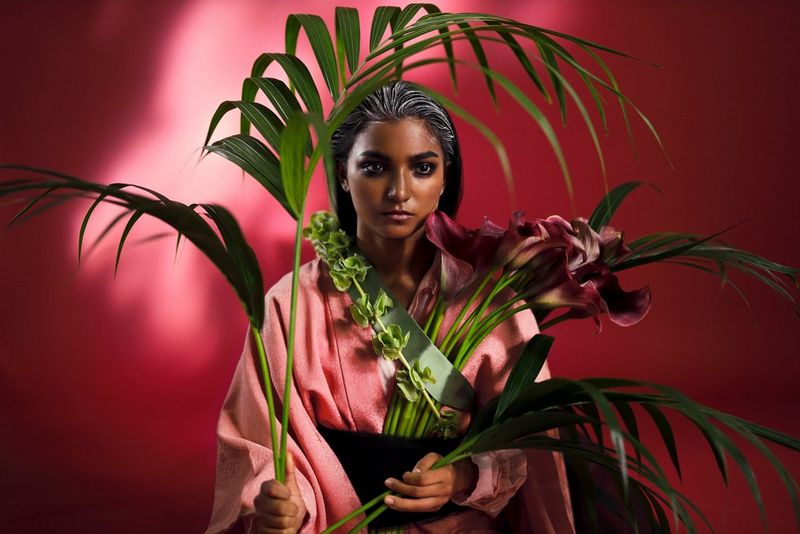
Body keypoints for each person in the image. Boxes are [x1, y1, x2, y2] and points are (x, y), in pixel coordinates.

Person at [206, 81, 574, 533]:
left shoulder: (492, 303)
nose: (399, 191)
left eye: (422, 168)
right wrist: (279, 503)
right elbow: (256, 439)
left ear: (445, 178)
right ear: (344, 173)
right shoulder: (290, 304)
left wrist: (462, 474)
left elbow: (530, 438)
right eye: (375, 166)